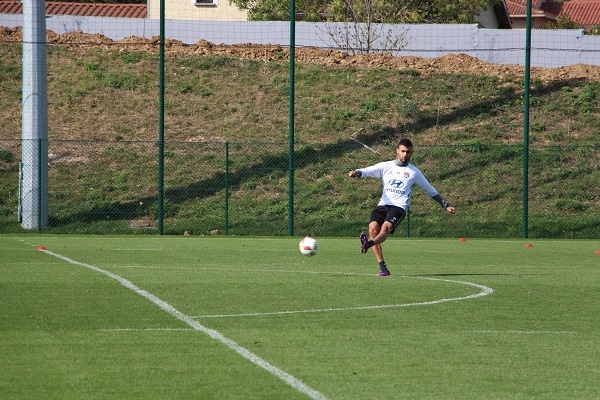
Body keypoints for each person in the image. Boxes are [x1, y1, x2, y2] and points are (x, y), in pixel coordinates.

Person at [348, 138, 456, 276]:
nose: (405, 154)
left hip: (399, 207)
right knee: (373, 229)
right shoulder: (386, 166)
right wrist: (356, 173)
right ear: (397, 151)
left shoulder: (414, 172)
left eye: (408, 152)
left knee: (385, 228)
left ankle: (368, 244)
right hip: (383, 204)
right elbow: (367, 171)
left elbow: (429, 189)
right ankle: (383, 268)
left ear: (412, 153)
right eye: (403, 151)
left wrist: (445, 205)